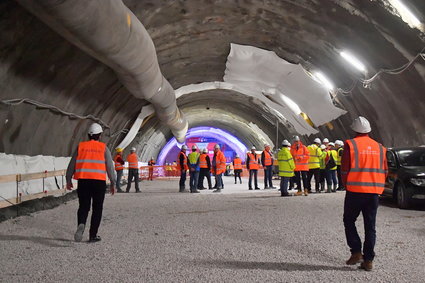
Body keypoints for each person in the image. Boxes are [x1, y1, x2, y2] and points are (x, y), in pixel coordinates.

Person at [342, 116, 387, 271]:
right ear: (369, 130)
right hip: (374, 192)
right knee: (370, 226)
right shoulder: (380, 147)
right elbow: (385, 170)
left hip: (355, 191)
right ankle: (368, 260)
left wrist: (346, 185)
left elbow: (345, 169)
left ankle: (356, 252)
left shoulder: (351, 145)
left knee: (349, 220)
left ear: (354, 129)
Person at [66, 122, 116, 243]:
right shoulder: (104, 148)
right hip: (99, 182)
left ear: (88, 135)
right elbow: (110, 167)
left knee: (83, 206)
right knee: (97, 208)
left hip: (83, 181)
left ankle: (81, 224)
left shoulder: (81, 147)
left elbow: (71, 164)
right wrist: (113, 183)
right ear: (99, 135)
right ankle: (93, 235)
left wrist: (68, 179)